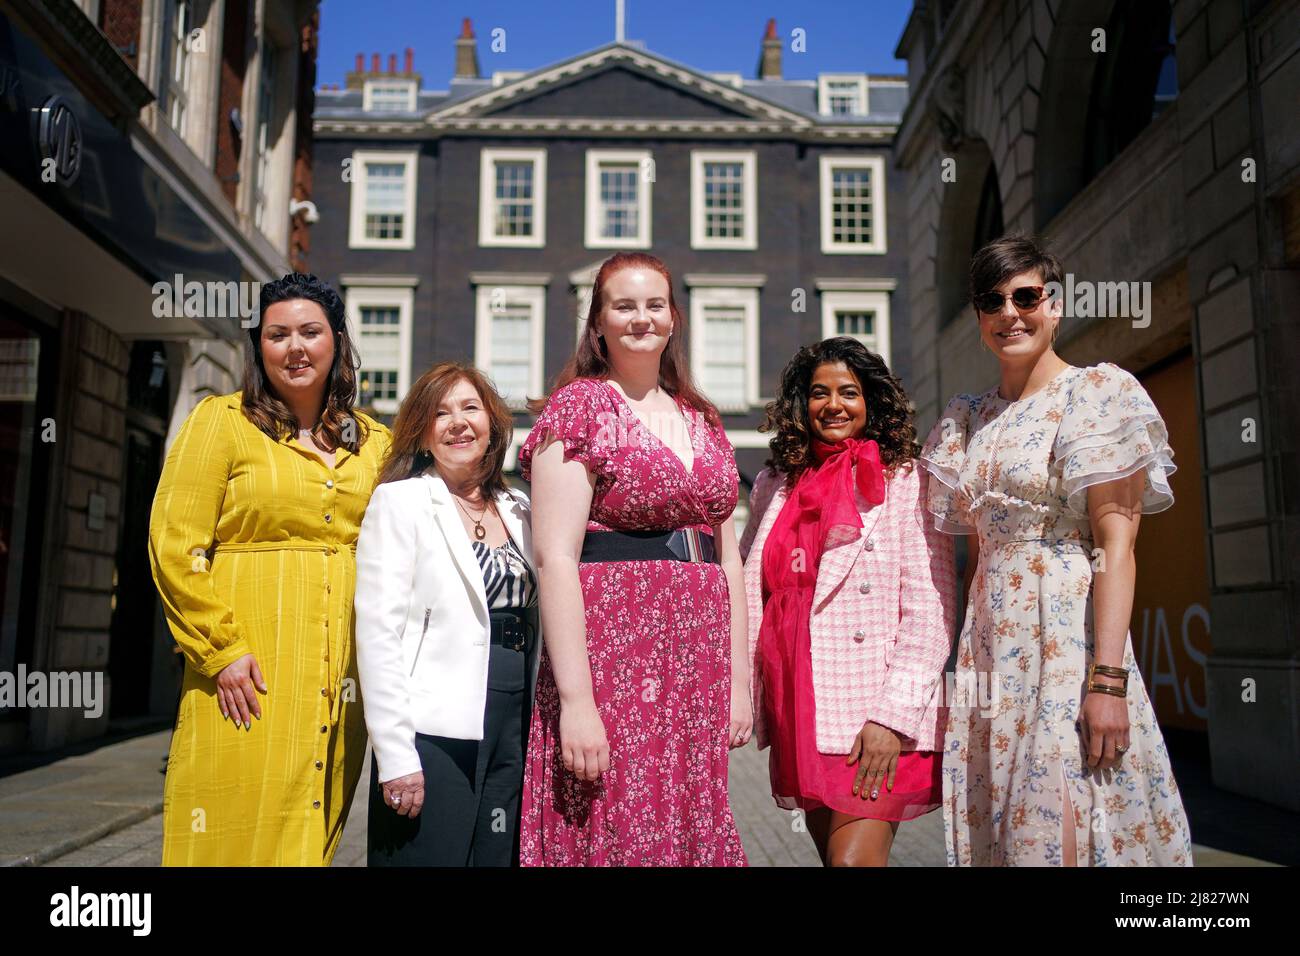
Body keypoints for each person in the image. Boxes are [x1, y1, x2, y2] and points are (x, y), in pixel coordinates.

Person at [920, 235, 1194, 866]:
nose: (1010, 313)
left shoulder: (1095, 395)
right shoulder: (968, 418)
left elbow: (1117, 548)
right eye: (993, 301)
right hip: (990, 649)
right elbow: (964, 557)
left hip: (1066, 641)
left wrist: (1107, 681)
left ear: (1055, 305)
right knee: (1005, 824)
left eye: (1026, 296)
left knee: (1069, 818)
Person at [148, 273, 390, 866]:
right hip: (247, 668)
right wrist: (221, 650)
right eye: (277, 334)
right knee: (228, 823)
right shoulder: (220, 423)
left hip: (344, 675)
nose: (295, 347)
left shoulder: (377, 444)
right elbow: (174, 543)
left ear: (337, 341)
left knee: (313, 825)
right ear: (260, 346)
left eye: (311, 331)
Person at [517, 251, 750, 866]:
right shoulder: (580, 408)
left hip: (696, 659)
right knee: (616, 814)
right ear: (597, 323)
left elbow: (728, 561)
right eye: (623, 305)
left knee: (686, 815)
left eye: (655, 305)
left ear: (673, 318)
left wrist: (739, 682)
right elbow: (556, 558)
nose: (641, 318)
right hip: (613, 654)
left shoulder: (703, 417)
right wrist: (576, 701)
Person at [739, 337, 956, 866]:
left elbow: (932, 611)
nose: (833, 404)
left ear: (871, 402)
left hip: (874, 716)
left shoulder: (908, 480)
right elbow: (750, 589)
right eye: (818, 393)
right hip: (800, 702)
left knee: (851, 863)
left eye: (848, 392)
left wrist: (891, 719)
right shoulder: (777, 482)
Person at [354, 363, 538, 866]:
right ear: (422, 431)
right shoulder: (401, 502)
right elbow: (378, 634)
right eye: (440, 413)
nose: (457, 422)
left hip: (517, 719)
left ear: (493, 423)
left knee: (496, 857)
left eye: (470, 408)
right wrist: (395, 755)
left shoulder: (519, 506)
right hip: (434, 726)